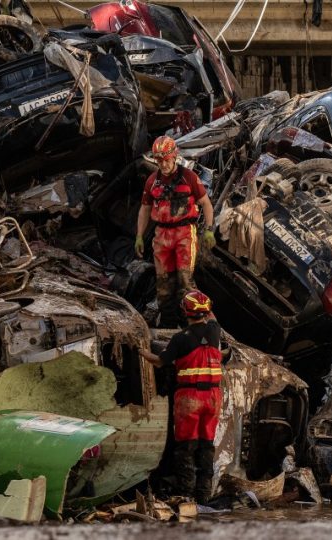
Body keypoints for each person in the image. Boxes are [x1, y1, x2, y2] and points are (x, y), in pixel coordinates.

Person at [140, 290, 222, 504]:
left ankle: (186, 494)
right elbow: (211, 315)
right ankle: (204, 495)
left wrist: (139, 350)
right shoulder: (214, 331)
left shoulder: (180, 339)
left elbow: (159, 361)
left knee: (185, 447)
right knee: (206, 446)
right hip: (213, 397)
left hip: (190, 397)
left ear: (185, 311)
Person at [136, 135, 216, 327]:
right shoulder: (152, 181)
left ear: (174, 156)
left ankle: (195, 325)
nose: (163, 164)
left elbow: (206, 203)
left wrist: (209, 230)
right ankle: (169, 326)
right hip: (162, 235)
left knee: (185, 282)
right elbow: (145, 208)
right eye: (159, 160)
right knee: (164, 286)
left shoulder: (189, 177)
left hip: (184, 233)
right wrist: (139, 235)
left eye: (166, 159)